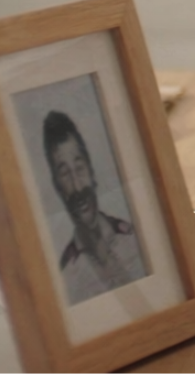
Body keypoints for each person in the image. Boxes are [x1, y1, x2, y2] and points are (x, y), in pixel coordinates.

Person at [42, 110, 147, 303]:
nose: (77, 186)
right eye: (65, 174)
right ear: (58, 187)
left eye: (79, 168)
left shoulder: (139, 238)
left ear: (91, 171)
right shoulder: (66, 279)